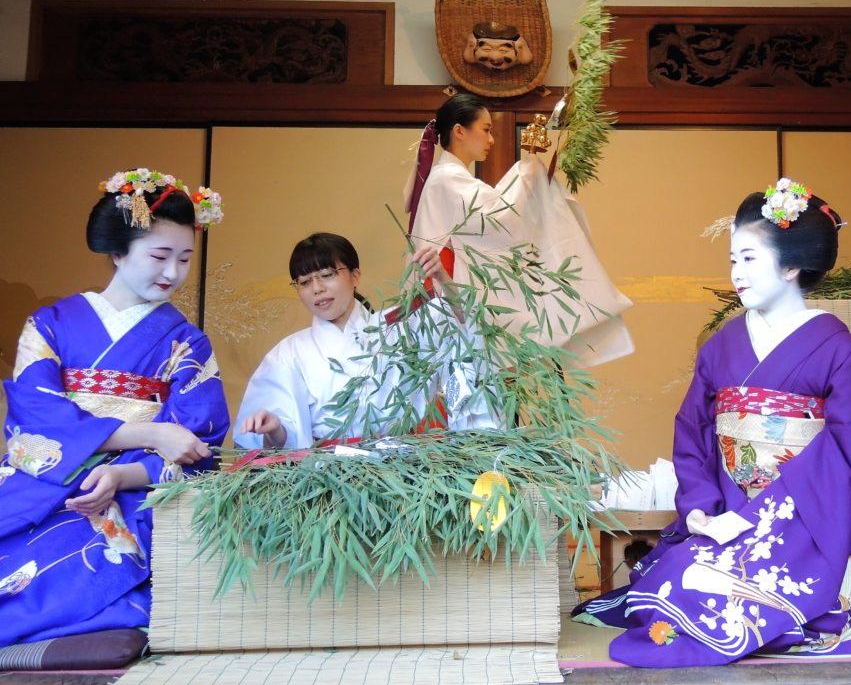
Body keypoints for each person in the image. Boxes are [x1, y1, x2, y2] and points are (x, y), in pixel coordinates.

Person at [572, 178, 851, 665]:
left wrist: (772, 510)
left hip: (806, 518)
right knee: (676, 582)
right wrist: (700, 506)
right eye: (731, 260)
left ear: (791, 264)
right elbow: (695, 432)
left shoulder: (836, 348)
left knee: (721, 596)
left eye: (748, 258)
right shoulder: (722, 345)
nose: (736, 273)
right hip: (726, 509)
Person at [0, 168, 230, 647]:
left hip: (136, 488)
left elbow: (197, 445)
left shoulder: (188, 343)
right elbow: (37, 417)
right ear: (118, 250)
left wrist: (122, 475)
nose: (173, 273)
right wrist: (148, 433)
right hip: (45, 480)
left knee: (104, 559)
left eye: (185, 259)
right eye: (160, 256)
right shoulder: (49, 324)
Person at [405, 93, 633, 368]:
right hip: (447, 303)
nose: (491, 140)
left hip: (452, 299)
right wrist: (529, 173)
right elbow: (498, 217)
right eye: (486, 130)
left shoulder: (448, 177)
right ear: (459, 131)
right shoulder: (446, 178)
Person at [234, 232, 497, 450]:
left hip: (406, 469)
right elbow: (284, 443)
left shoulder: (398, 326)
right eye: (304, 282)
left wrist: (443, 279)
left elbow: (461, 328)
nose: (316, 289)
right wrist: (275, 428)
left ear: (355, 275)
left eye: (327, 275)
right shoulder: (288, 354)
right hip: (331, 480)